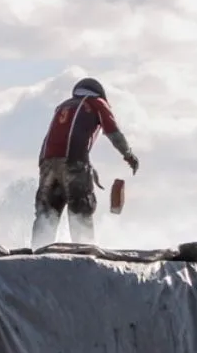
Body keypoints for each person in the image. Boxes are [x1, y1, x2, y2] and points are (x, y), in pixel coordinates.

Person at [33, 76, 138, 247]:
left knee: (47, 213)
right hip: (74, 162)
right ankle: (84, 253)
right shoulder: (97, 103)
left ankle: (37, 252)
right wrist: (128, 154)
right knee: (81, 208)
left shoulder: (63, 106)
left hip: (46, 164)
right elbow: (113, 132)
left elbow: (59, 139)